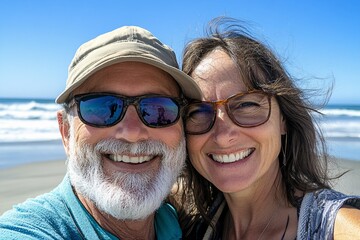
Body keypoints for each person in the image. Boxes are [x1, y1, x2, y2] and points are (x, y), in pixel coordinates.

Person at [0, 25, 202, 239]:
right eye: (102, 108)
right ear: (66, 132)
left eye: (157, 109)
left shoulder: (180, 221)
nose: (132, 133)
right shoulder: (28, 231)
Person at [179, 17, 360, 239]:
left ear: (283, 119)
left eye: (247, 105)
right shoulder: (188, 223)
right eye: (199, 112)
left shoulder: (335, 227)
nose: (223, 137)